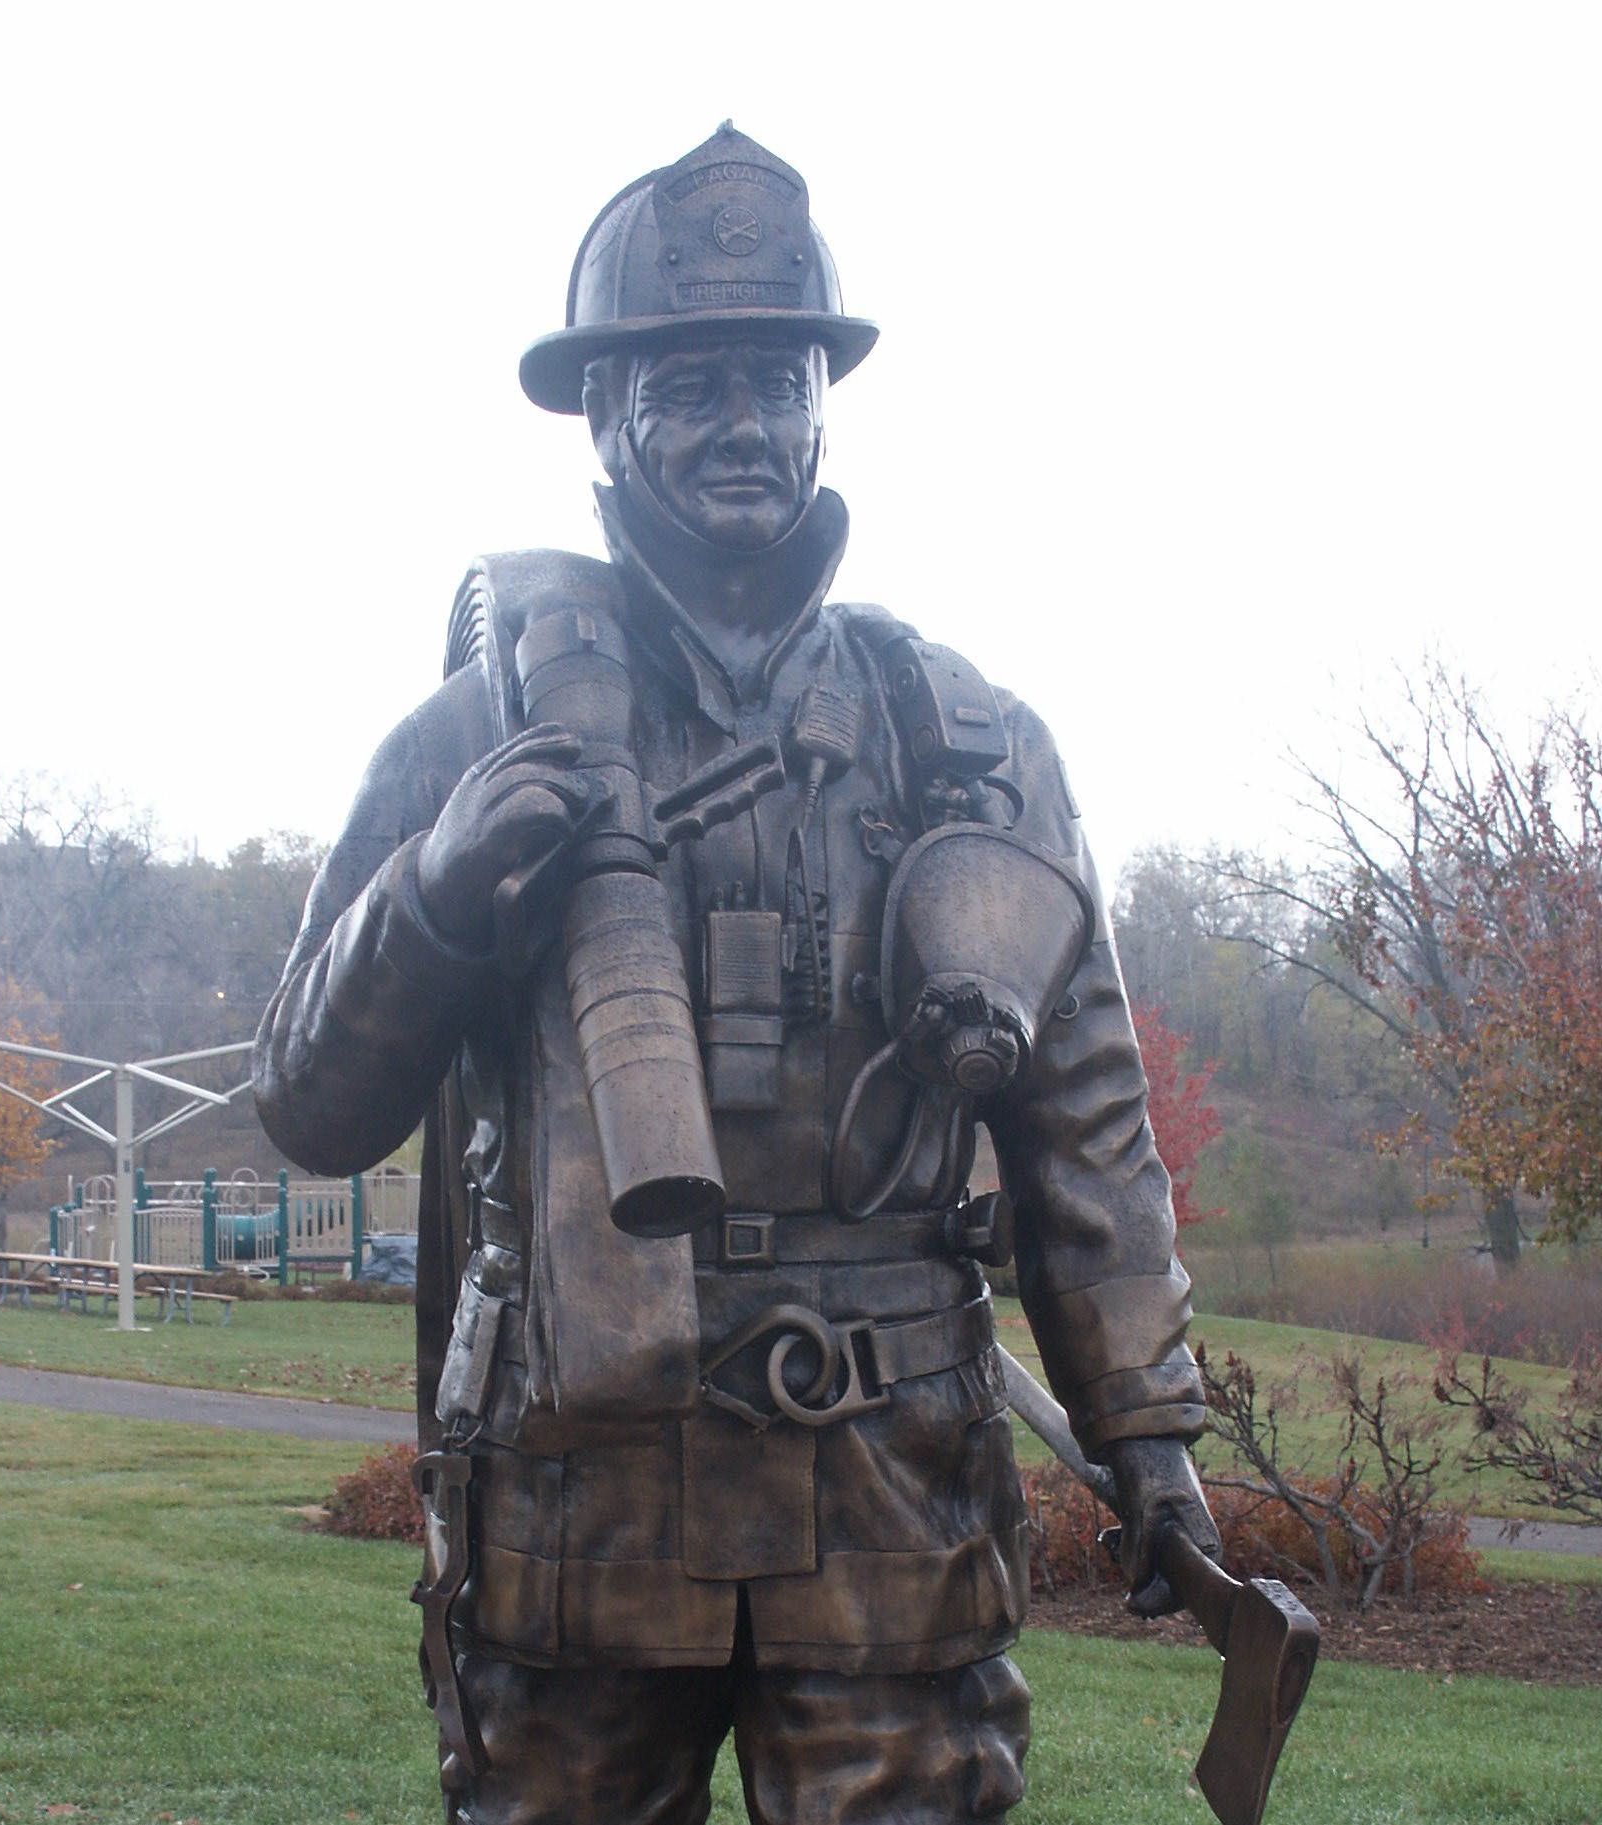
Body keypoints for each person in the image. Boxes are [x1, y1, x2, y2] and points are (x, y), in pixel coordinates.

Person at [255, 123, 1220, 1825]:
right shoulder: (477, 727)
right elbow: (309, 1099)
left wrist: (1143, 1425)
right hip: (579, 1501)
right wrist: (440, 882)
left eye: (777, 380)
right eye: (692, 385)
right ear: (608, 417)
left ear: (825, 404)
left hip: (894, 1496)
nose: (745, 427)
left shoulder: (972, 743)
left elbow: (1084, 1112)